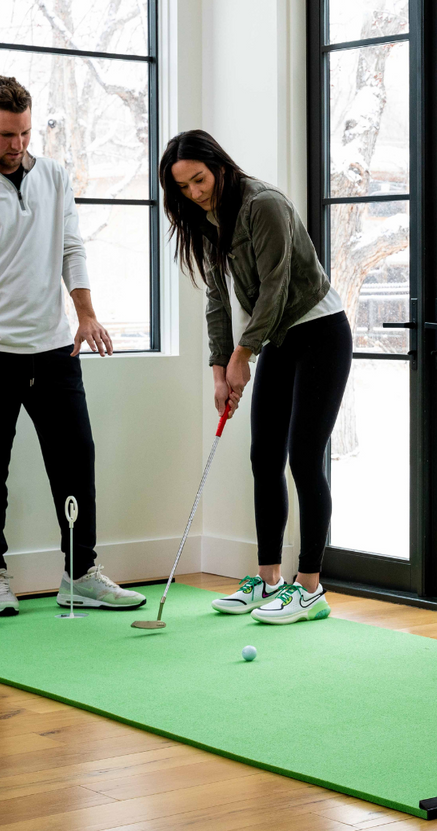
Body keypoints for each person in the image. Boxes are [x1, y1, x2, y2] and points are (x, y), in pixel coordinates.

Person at [0, 75, 145, 615]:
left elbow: (72, 248)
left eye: (25, 133)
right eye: (7, 134)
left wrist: (86, 314)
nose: (18, 144)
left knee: (76, 462)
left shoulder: (53, 176)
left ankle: (80, 574)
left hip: (54, 352)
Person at [159, 130, 352, 625]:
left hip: (319, 332)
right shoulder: (206, 221)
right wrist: (219, 370)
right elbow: (218, 300)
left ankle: (310, 588)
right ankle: (268, 581)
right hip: (278, 339)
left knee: (304, 458)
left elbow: (275, 287)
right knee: (264, 457)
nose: (194, 193)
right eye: (183, 187)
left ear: (219, 166)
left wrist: (244, 355)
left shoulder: (264, 205)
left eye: (199, 180)